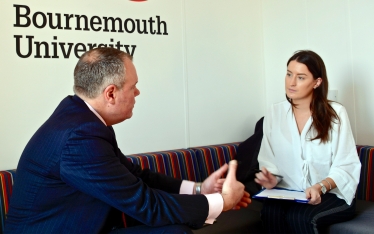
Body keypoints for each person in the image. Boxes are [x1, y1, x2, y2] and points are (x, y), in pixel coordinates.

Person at [5, 47, 250, 234]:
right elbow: (147, 206)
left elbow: (136, 176)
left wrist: (199, 189)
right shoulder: (80, 137)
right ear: (110, 93)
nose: (137, 93)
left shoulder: (81, 119)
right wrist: (223, 201)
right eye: (133, 87)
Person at [254, 50, 361, 233]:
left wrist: (320, 187)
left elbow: (346, 165)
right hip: (291, 193)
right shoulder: (275, 113)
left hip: (333, 194)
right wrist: (271, 178)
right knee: (271, 211)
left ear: (317, 82)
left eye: (301, 77)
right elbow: (268, 159)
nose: (291, 82)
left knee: (300, 216)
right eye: (289, 74)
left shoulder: (335, 114)